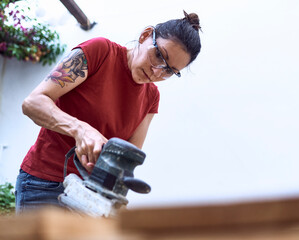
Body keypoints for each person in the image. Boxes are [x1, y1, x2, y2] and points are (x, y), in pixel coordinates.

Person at [15, 10, 202, 213]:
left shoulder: (151, 97)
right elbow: (33, 103)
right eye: (158, 55)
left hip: (91, 199)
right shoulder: (100, 52)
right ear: (145, 35)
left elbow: (126, 158)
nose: (157, 71)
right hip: (44, 185)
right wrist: (80, 129)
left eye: (169, 71)